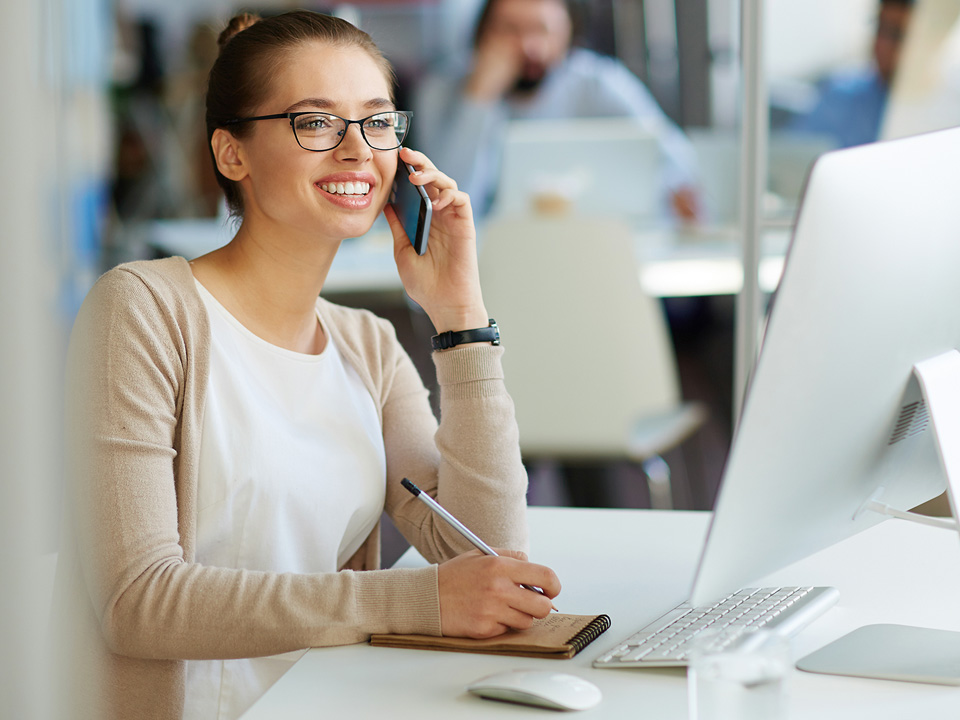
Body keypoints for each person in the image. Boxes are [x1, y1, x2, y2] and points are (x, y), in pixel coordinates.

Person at [57, 11, 560, 720]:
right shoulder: (142, 310)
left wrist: (461, 320)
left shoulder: (368, 345)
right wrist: (413, 601)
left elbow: (485, 553)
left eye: (378, 122)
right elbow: (137, 601)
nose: (358, 152)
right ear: (232, 154)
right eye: (315, 123)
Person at [414, 0, 701, 221]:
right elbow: (441, 201)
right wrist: (478, 99)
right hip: (487, 262)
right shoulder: (441, 91)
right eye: (510, 30)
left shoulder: (598, 83)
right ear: (482, 35)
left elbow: (676, 160)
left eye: (543, 30)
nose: (529, 47)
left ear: (568, 35)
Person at [788, 0, 914, 148]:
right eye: (880, 28)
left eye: (896, 34)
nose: (881, 44)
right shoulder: (840, 98)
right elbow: (794, 158)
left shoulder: (938, 111)